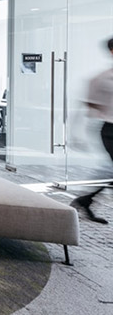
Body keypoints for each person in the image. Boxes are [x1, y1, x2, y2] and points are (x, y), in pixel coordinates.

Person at [70, 36, 113, 224]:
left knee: (109, 171)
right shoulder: (101, 79)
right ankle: (85, 200)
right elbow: (88, 106)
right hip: (110, 130)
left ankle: (85, 200)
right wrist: (76, 134)